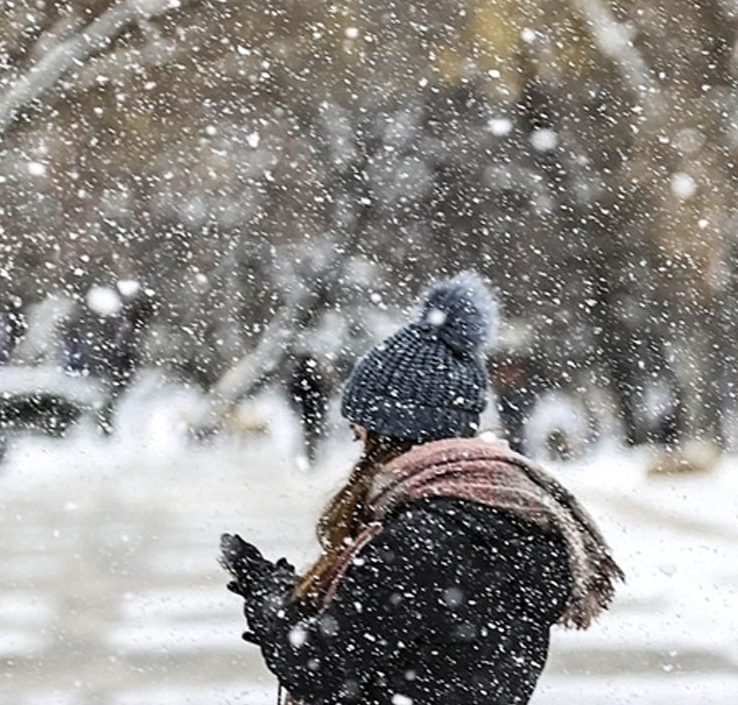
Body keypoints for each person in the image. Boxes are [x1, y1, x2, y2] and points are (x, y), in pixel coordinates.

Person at [220, 273, 622, 705]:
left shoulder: (420, 538)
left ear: (395, 431)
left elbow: (322, 668)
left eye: (363, 434)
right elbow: (405, 637)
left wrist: (266, 595)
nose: (360, 447)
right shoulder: (507, 515)